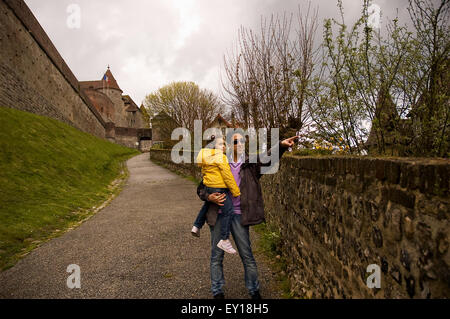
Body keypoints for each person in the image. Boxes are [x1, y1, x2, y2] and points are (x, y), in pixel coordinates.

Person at [197, 130, 297, 299]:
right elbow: (201, 188)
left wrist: (281, 146)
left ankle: (254, 290)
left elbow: (268, 158)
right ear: (229, 145)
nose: (241, 144)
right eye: (237, 142)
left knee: (247, 255)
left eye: (243, 140)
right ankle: (217, 291)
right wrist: (209, 196)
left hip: (239, 215)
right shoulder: (218, 161)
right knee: (216, 256)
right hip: (219, 214)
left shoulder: (251, 164)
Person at [192, 135, 241, 254]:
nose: (224, 146)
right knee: (228, 210)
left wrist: (208, 189)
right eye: (221, 144)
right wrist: (236, 191)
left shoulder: (204, 156)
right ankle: (224, 239)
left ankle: (196, 225)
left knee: (207, 205)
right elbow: (227, 176)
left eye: (224, 144)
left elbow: (204, 171)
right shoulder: (220, 157)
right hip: (219, 186)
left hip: (209, 186)